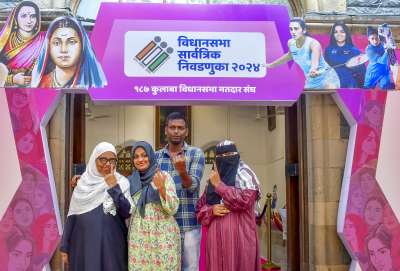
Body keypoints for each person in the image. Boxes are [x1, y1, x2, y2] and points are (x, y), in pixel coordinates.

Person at [60, 142, 132, 271]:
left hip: (111, 245)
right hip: (83, 244)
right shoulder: (82, 184)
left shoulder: (122, 182)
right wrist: (64, 246)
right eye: (103, 159)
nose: (108, 164)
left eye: (112, 160)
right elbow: (72, 216)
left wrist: (114, 187)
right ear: (94, 160)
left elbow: (126, 212)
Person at [196, 140, 261, 271]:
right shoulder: (212, 181)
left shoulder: (246, 175)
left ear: (237, 155)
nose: (226, 159)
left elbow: (245, 201)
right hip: (215, 241)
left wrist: (220, 186)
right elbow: (199, 209)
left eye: (230, 154)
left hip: (241, 239)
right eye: (221, 156)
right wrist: (211, 210)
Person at [155, 112, 205, 271]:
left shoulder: (196, 153)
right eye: (172, 127)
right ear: (166, 130)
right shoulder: (156, 157)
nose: (176, 131)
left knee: (190, 268)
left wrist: (182, 172)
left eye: (180, 128)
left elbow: (193, 187)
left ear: (186, 131)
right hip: (163, 224)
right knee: (165, 267)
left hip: (189, 224)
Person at [127, 141, 181, 271]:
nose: (140, 159)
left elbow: (173, 209)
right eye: (136, 156)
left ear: (151, 156)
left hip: (164, 236)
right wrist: (80, 178)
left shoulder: (164, 177)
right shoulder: (129, 181)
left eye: (144, 155)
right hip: (139, 237)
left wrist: (161, 188)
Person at [31, 16, 107, 88]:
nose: (63, 50)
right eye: (57, 43)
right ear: (48, 47)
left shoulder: (92, 83)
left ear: (83, 45)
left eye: (71, 42)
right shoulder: (40, 84)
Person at [266, 17, 340, 89]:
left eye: (296, 29)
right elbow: (289, 56)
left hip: (327, 78)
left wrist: (313, 69)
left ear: (304, 30)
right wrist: (271, 65)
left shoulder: (313, 43)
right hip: (311, 81)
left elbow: (315, 62)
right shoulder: (291, 43)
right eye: (291, 29)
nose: (293, 32)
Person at [0, 1, 45, 87]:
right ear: (15, 18)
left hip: (34, 90)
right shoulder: (3, 40)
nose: (29, 21)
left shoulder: (44, 40)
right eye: (24, 16)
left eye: (33, 16)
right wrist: (12, 79)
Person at [324, 22, 366, 88]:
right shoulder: (328, 50)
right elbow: (325, 70)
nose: (339, 34)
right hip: (333, 86)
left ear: (346, 33)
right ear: (333, 34)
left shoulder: (355, 51)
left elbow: (362, 74)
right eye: (336, 32)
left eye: (342, 31)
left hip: (350, 86)